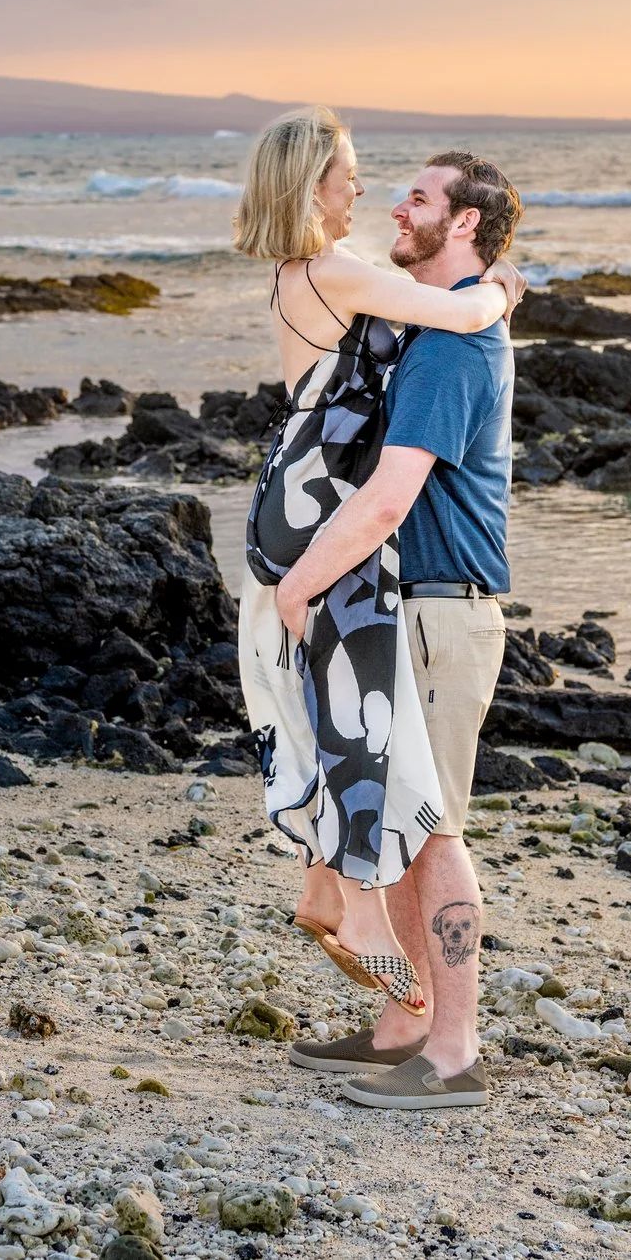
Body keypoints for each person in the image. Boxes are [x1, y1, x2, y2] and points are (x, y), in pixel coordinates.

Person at [232, 108, 523, 1019]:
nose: (367, 189)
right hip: (323, 509)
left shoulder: (302, 273)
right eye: (352, 173)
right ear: (313, 180)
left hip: (293, 498)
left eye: (403, 187)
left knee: (333, 709)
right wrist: (505, 287)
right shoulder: (340, 272)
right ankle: (359, 919)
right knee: (366, 730)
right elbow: (460, 310)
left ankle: (332, 891)